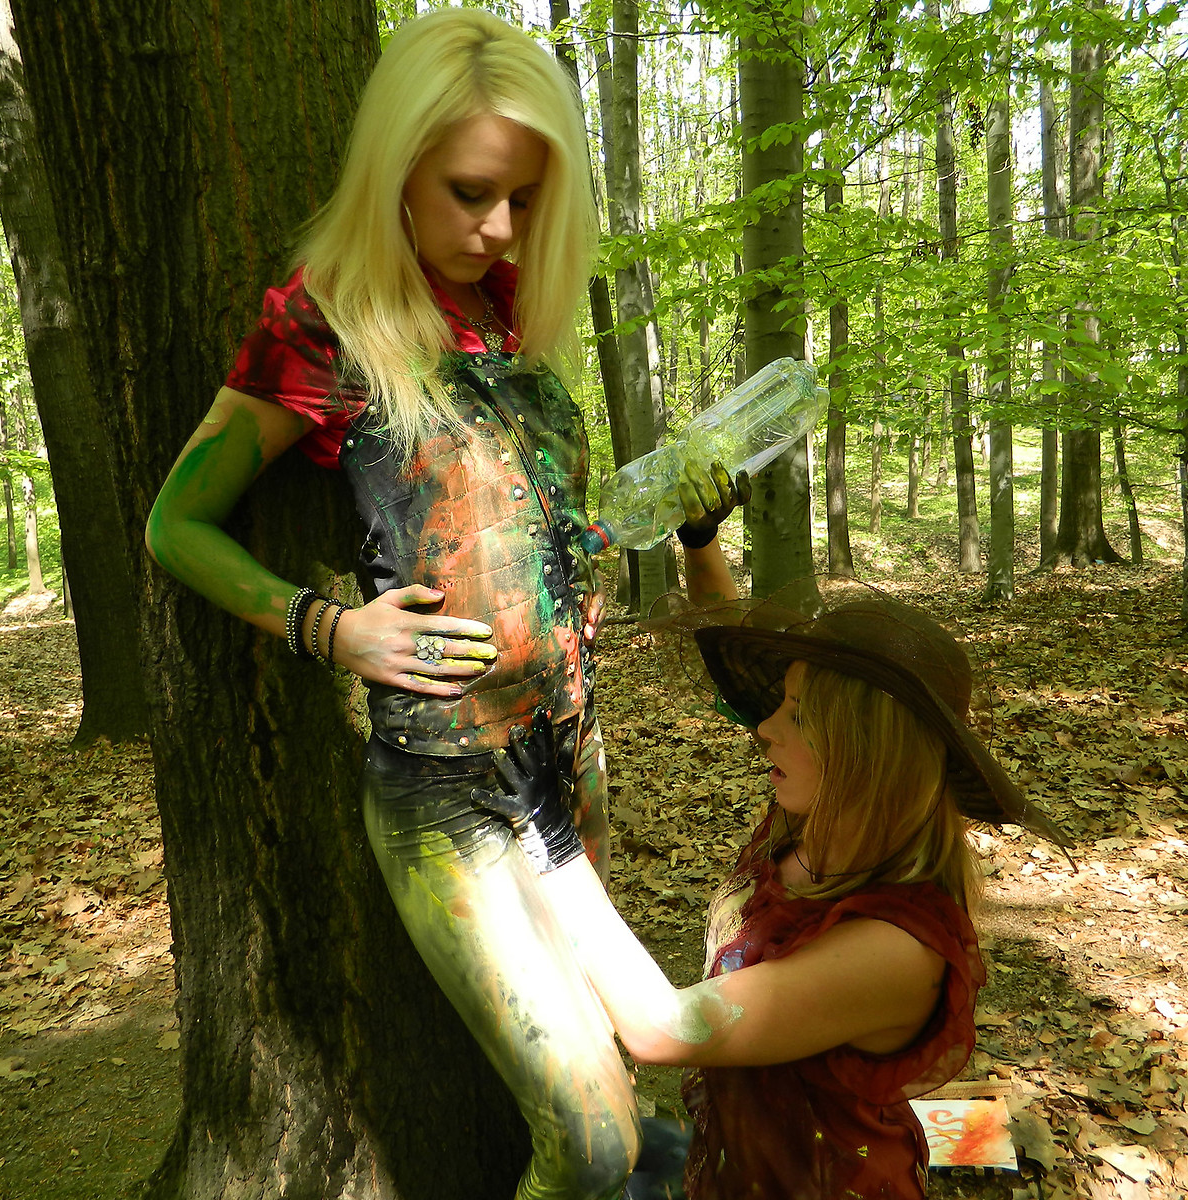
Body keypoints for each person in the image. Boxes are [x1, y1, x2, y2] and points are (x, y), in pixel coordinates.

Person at [144, 10, 746, 1199]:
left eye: (523, 197)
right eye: (471, 193)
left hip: (569, 754)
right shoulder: (325, 322)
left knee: (628, 1084)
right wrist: (331, 628)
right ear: (396, 171)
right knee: (592, 1140)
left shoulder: (510, 305)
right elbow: (175, 526)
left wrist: (666, 513)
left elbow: (530, 531)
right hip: (448, 788)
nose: (501, 226)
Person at [474, 582, 1070, 1199]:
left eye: (799, 716)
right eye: (780, 702)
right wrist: (699, 548)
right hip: (742, 1161)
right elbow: (739, 694)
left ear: (865, 754)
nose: (764, 727)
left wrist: (550, 841)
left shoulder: (896, 950)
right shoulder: (806, 830)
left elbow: (662, 1028)